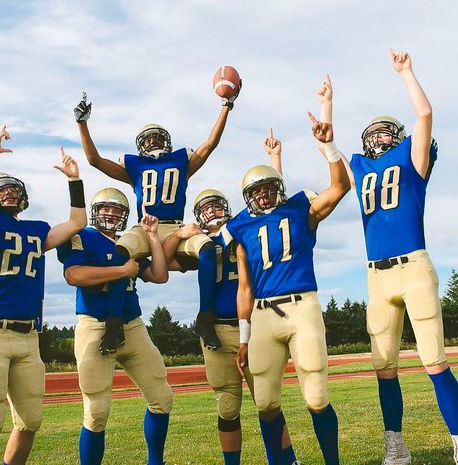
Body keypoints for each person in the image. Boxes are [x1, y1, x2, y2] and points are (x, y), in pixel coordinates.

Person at [331, 51, 458, 464]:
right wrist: (327, 107)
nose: (378, 138)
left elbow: (425, 112)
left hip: (413, 267)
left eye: (384, 132)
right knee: (385, 368)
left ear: (397, 136)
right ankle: (395, 443)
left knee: (434, 361)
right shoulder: (360, 167)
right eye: (373, 134)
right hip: (376, 276)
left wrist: (406, 72)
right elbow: (329, 147)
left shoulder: (412, 158)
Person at [162, 130, 299, 465]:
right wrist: (178, 234)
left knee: (268, 403)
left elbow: (272, 204)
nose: (211, 214)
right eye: (204, 210)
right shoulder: (197, 246)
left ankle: (286, 460)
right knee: (227, 406)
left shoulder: (243, 226)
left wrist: (274, 161)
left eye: (216, 207)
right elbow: (163, 265)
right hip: (217, 334)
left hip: (254, 326)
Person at [227, 97, 351, 465]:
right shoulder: (242, 227)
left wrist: (328, 147)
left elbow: (339, 188)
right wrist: (244, 337)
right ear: (248, 198)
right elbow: (244, 288)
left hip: (302, 307)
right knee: (265, 403)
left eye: (269, 187)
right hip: (263, 316)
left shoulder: (299, 208)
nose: (264, 194)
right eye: (257, 191)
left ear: (278, 188)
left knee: (316, 398)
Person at [0, 126, 88, 465]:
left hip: (28, 335)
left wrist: (74, 180)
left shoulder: (35, 229)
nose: (10, 193)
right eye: (2, 190)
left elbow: (76, 222)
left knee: (30, 421)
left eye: (14, 189)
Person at [74, 84, 240, 353]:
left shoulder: (181, 161)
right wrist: (82, 124)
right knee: (119, 254)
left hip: (175, 224)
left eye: (157, 138)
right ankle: (114, 325)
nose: (153, 142)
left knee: (209, 249)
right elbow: (94, 160)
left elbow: (209, 145)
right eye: (148, 139)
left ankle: (205, 318)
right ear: (140, 145)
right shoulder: (134, 166)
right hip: (145, 225)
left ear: (168, 141)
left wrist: (226, 106)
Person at [57, 188, 172, 465]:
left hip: (132, 326)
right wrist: (122, 270)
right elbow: (74, 275)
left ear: (125, 215)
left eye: (117, 210)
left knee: (162, 399)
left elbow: (159, 275)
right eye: (106, 209)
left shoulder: (131, 241)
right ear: (96, 212)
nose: (111, 214)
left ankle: (155, 462)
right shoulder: (82, 236)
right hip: (95, 326)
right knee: (96, 412)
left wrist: (154, 237)